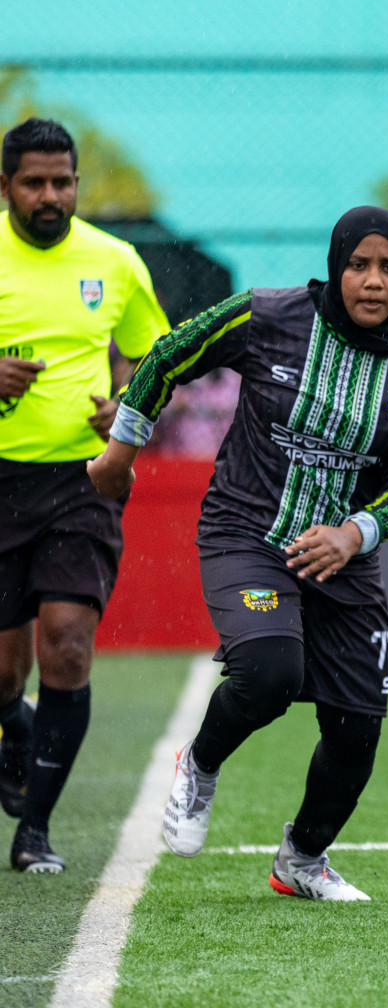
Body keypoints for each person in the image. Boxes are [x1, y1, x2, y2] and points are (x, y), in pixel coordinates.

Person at [89, 207, 388, 901]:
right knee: (270, 670)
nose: (373, 282)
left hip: (343, 559)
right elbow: (168, 355)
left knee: (357, 730)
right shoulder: (268, 316)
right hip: (246, 532)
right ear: (336, 266)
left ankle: (301, 861)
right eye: (358, 265)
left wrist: (354, 535)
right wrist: (120, 451)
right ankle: (199, 764)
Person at [0, 118, 170, 873]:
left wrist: (126, 407)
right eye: (34, 182)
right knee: (4, 675)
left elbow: (154, 358)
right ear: (6, 185)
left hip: (85, 480)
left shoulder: (116, 260)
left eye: (62, 181)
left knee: (66, 642)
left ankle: (34, 832)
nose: (50, 195)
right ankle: (17, 725)